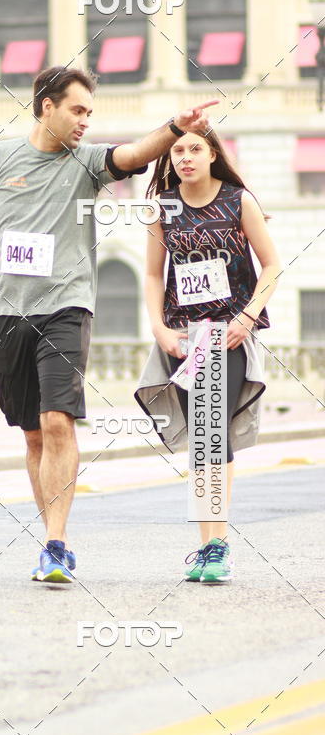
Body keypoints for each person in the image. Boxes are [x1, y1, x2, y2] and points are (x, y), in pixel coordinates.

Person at [0, 65, 217, 584]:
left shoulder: (87, 163)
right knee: (34, 435)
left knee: (59, 419)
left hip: (67, 307)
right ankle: (49, 539)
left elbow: (130, 155)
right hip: (9, 312)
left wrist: (175, 127)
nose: (85, 121)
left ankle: (57, 547)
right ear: (46, 106)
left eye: (89, 112)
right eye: (77, 110)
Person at [135, 128, 280, 584]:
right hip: (183, 338)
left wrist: (247, 316)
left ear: (213, 154)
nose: (185, 157)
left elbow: (272, 265)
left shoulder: (239, 201)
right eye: (177, 150)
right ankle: (209, 546)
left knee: (211, 432)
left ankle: (216, 548)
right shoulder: (163, 207)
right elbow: (154, 275)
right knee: (204, 439)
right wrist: (159, 328)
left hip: (229, 334)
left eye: (195, 148)